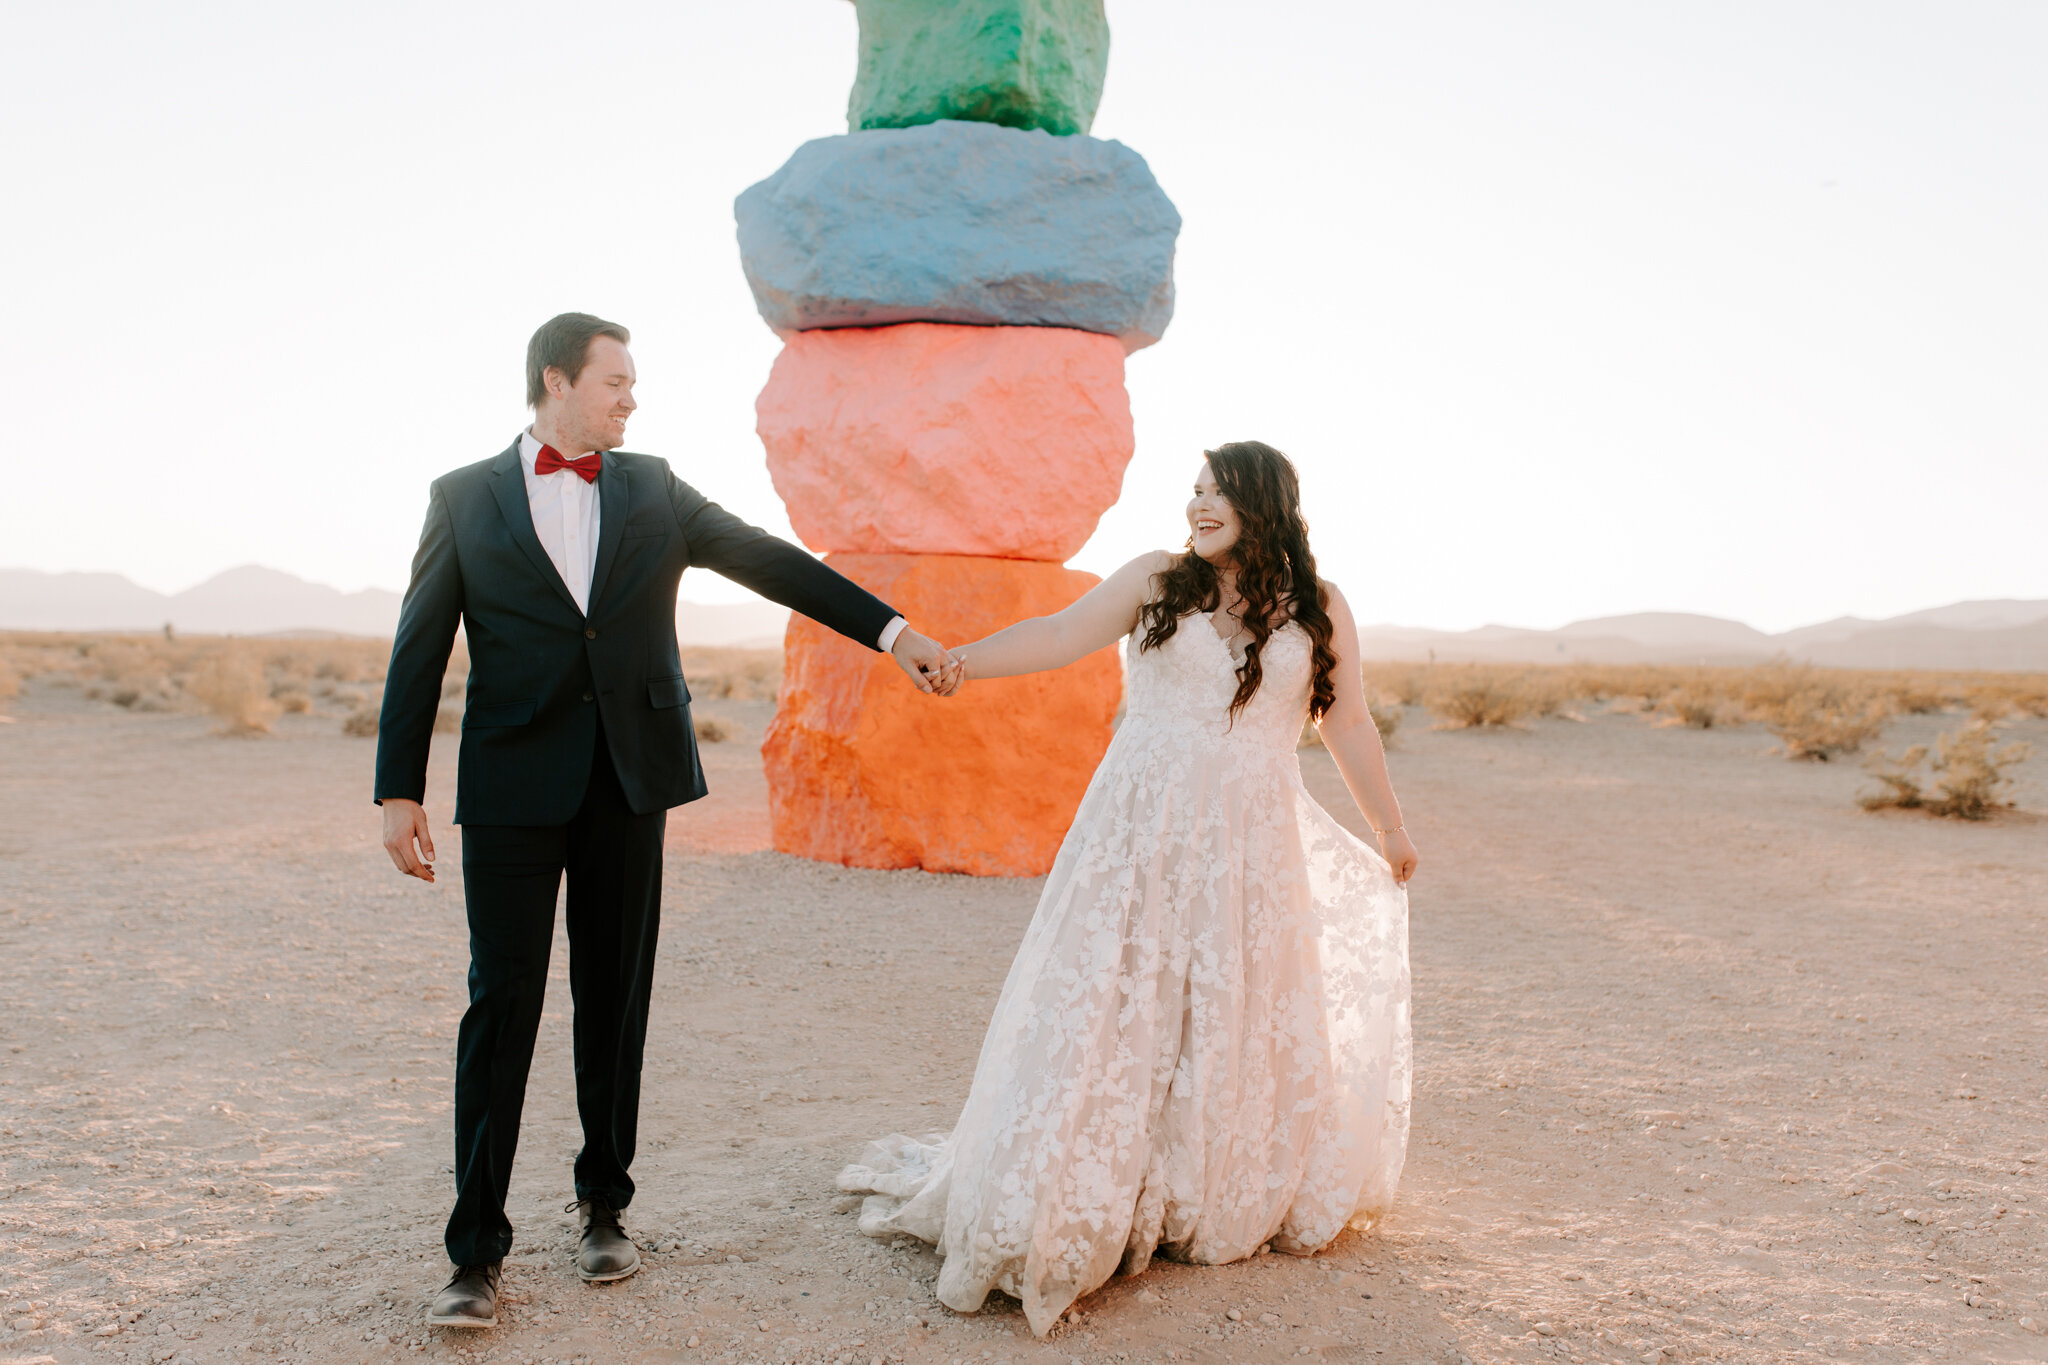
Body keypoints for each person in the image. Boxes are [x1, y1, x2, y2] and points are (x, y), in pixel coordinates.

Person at [374, 313, 961, 1330]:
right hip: (512, 787)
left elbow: (768, 559)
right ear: (556, 380)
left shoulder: (653, 487)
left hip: (627, 783)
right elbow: (419, 642)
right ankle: (474, 1250)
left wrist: (892, 631)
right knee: (499, 1007)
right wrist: (398, 787)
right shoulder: (463, 499)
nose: (631, 397)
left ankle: (605, 1206)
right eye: (615, 381)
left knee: (614, 1000)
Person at [838, 440, 1417, 1336]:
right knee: (1118, 996)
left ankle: (1201, 1187)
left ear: (1267, 501)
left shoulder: (1320, 605)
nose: (1197, 505)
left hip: (1252, 844)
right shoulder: (1158, 579)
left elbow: (1346, 717)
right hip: (1138, 833)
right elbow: (1061, 633)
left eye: (1217, 492)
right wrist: (962, 660)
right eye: (1192, 491)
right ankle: (1087, 1187)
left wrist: (1388, 828)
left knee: (1230, 1005)